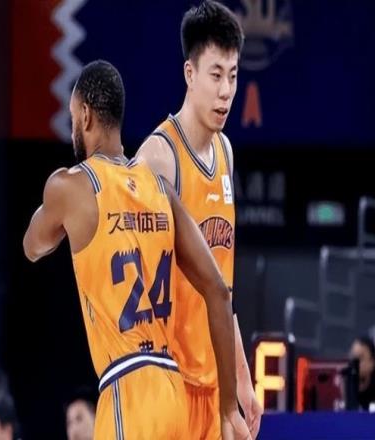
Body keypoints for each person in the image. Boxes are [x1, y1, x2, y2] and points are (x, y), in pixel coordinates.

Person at [23, 60, 250, 439]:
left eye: (73, 117)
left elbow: (33, 246)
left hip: (126, 387)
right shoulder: (160, 189)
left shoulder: (70, 186)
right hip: (173, 391)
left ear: (85, 115)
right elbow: (218, 290)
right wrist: (227, 407)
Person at [136, 1, 263, 438]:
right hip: (168, 386)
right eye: (215, 75)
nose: (226, 90)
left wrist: (241, 377)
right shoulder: (158, 158)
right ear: (190, 74)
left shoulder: (225, 152)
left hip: (214, 388)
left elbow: (221, 285)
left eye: (233, 75)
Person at [349, 336, 375, 410]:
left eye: (361, 358)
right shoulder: (346, 381)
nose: (355, 363)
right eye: (353, 357)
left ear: (372, 362)